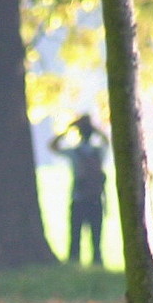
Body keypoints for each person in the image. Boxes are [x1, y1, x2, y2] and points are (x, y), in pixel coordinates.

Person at [50, 114, 109, 266]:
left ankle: (74, 262)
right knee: (96, 239)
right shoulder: (98, 152)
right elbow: (107, 141)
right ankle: (97, 263)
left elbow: (53, 146)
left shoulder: (75, 152)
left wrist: (68, 129)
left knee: (75, 237)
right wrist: (94, 128)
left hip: (78, 199)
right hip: (96, 199)